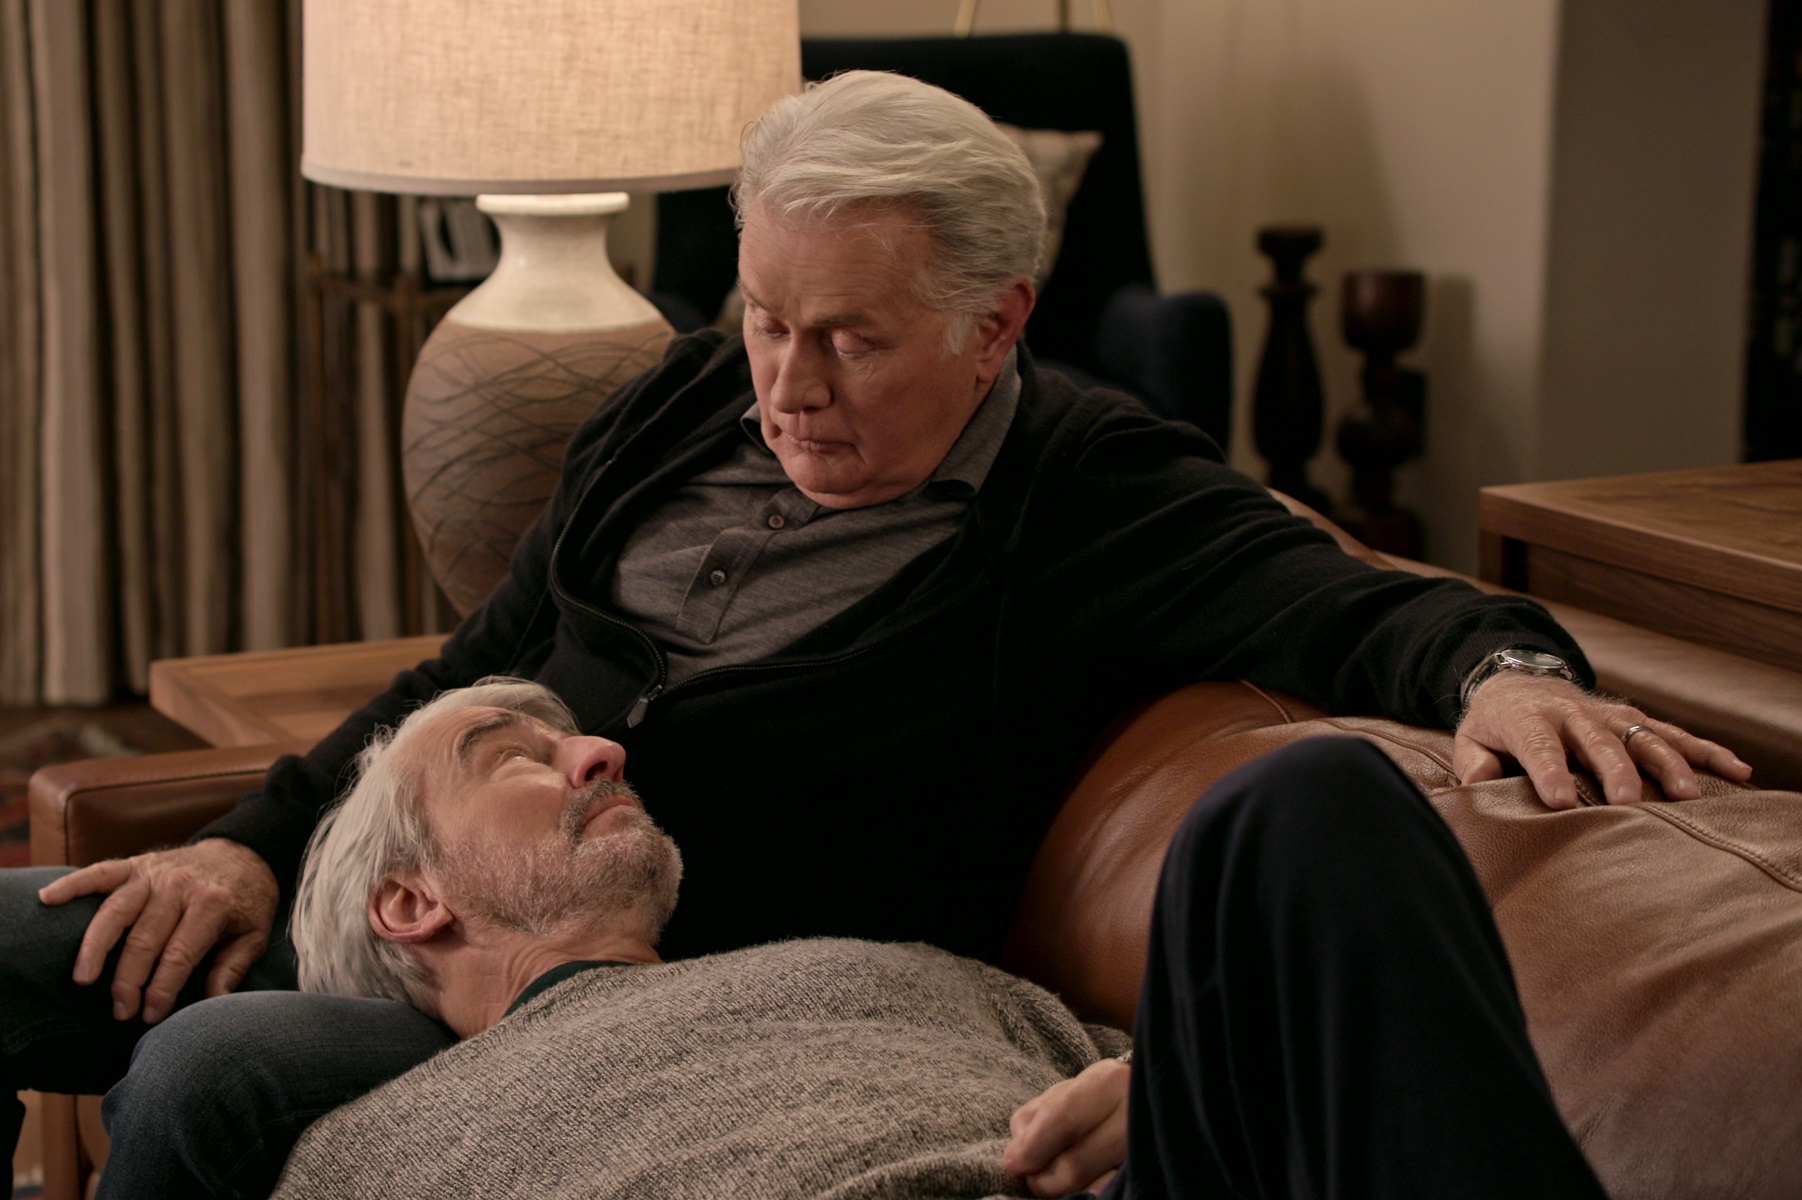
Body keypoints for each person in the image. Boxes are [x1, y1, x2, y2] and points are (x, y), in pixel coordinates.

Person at [2, 70, 1748, 1198]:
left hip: (685, 1002)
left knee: (219, 1067)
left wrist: (1507, 675)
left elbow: (1362, 602)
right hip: (460, 903)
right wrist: (249, 846)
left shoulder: (1090, 494)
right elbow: (481, 660)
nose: (785, 384)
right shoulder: (683, 400)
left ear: (995, 324)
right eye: (766, 317)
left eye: (849, 340)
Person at [266, 678, 1606, 1199]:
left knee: (1305, 798)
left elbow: (1258, 1109)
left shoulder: (896, 971)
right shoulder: (366, 1154)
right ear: (411, 902)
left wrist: (1162, 1089)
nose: (598, 752)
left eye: (576, 737)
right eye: (516, 756)